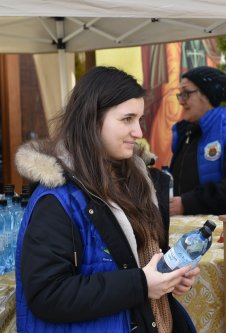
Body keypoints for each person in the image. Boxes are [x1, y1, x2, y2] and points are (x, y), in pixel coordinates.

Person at [15, 66, 200, 333]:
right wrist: (141, 284)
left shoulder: (141, 183)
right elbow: (47, 294)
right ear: (92, 120)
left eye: (139, 119)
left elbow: (135, 260)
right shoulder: (57, 200)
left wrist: (169, 274)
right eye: (127, 119)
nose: (138, 132)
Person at [169, 66, 226, 215]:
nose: (181, 101)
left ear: (207, 95)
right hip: (191, 230)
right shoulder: (185, 132)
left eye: (186, 94)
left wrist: (187, 204)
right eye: (180, 94)